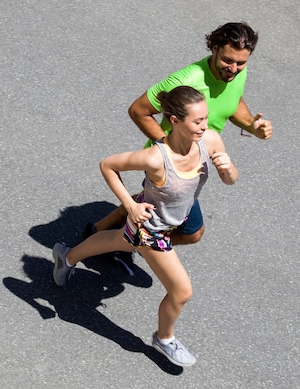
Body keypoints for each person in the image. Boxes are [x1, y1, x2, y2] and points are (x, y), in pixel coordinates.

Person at [53, 86, 238, 367]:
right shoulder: (155, 158)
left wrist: (228, 170)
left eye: (205, 118)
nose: (204, 126)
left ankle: (66, 256)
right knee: (181, 291)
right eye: (197, 121)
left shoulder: (210, 141)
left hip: (167, 219)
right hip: (151, 228)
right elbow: (107, 165)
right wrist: (130, 205)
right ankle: (164, 339)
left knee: (117, 239)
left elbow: (230, 179)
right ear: (175, 121)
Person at [86, 22, 271, 246]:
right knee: (192, 232)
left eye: (241, 63)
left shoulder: (236, 72)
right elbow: (138, 110)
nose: (233, 68)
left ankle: (100, 229)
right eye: (227, 60)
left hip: (196, 157)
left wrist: (252, 126)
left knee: (153, 203)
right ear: (214, 49)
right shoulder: (186, 80)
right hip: (168, 162)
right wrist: (168, 153)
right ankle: (125, 245)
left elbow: (233, 100)